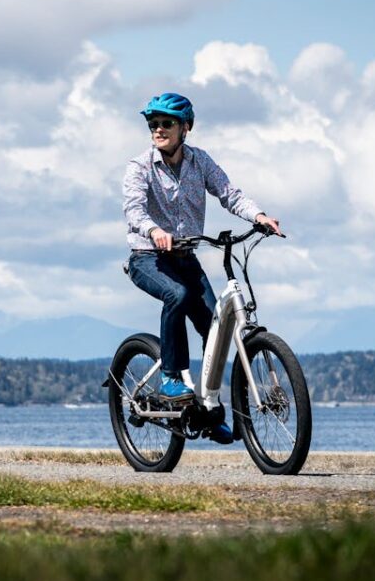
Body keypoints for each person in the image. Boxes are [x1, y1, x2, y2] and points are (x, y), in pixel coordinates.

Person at [121, 92, 282, 444]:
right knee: (176, 295)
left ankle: (209, 409)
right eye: (153, 124)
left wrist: (258, 217)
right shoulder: (139, 167)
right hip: (147, 257)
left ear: (186, 128)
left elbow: (229, 193)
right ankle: (170, 376)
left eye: (166, 124)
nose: (158, 130)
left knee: (216, 328)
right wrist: (155, 230)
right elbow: (134, 210)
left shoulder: (200, 162)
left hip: (186, 258)